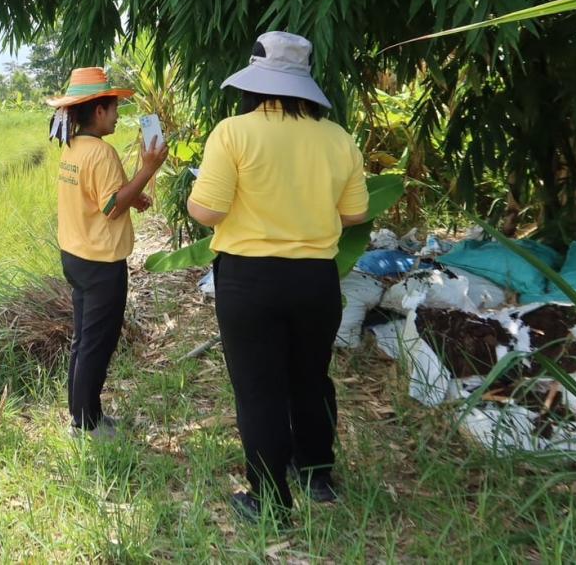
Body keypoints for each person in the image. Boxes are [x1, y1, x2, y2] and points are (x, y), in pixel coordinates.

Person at [187, 32, 368, 523]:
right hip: (316, 281)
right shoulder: (337, 137)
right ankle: (317, 474)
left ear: (254, 82)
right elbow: (355, 214)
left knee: (259, 388)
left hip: (250, 282)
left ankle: (269, 500)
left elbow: (207, 211)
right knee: (310, 377)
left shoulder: (233, 132)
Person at [48, 67, 168, 436]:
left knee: (84, 340)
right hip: (101, 263)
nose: (117, 115)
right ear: (98, 111)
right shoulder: (101, 152)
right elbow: (111, 206)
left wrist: (133, 195)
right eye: (114, 108)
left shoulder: (75, 147)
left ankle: (82, 415)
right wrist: (148, 170)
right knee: (97, 343)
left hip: (76, 255)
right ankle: (86, 424)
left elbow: (102, 198)